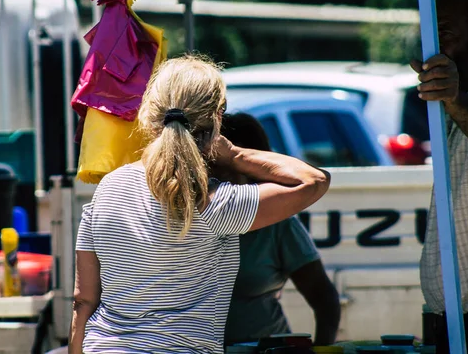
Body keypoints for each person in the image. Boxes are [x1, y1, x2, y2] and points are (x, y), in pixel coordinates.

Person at [69, 54, 331, 354]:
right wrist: (234, 154)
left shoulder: (108, 189)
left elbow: (83, 299)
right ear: (217, 118)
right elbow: (313, 181)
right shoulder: (214, 203)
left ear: (149, 112)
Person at [214, 113, 340, 346]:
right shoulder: (187, 214)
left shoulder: (278, 222)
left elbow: (324, 298)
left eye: (240, 168)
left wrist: (322, 350)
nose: (230, 182)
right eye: (219, 170)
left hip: (264, 346)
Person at [410, 0, 468, 353]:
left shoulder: (462, 100)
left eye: (446, 32)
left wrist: (454, 98)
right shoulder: (458, 103)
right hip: (453, 322)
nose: (434, 48)